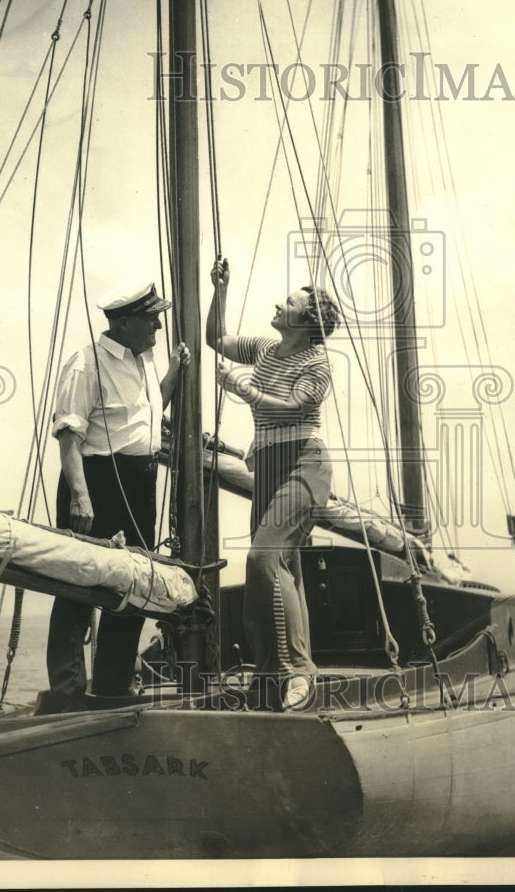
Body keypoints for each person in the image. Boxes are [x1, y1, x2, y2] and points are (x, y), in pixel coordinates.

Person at [36, 280, 190, 714]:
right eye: (151, 318)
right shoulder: (87, 364)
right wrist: (81, 498)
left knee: (135, 583)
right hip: (98, 481)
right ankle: (67, 692)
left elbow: (147, 408)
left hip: (139, 483)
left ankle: (112, 685)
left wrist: (175, 373)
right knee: (78, 581)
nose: (159, 325)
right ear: (123, 323)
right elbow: (69, 436)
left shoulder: (142, 360)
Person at [206, 257, 339, 711]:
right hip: (266, 463)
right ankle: (268, 676)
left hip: (304, 463)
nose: (279, 305)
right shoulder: (265, 348)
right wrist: (220, 291)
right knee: (279, 568)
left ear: (307, 322)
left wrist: (243, 391)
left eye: (289, 303)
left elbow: (291, 408)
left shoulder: (317, 363)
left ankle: (296, 673)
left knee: (264, 557)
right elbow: (214, 340)